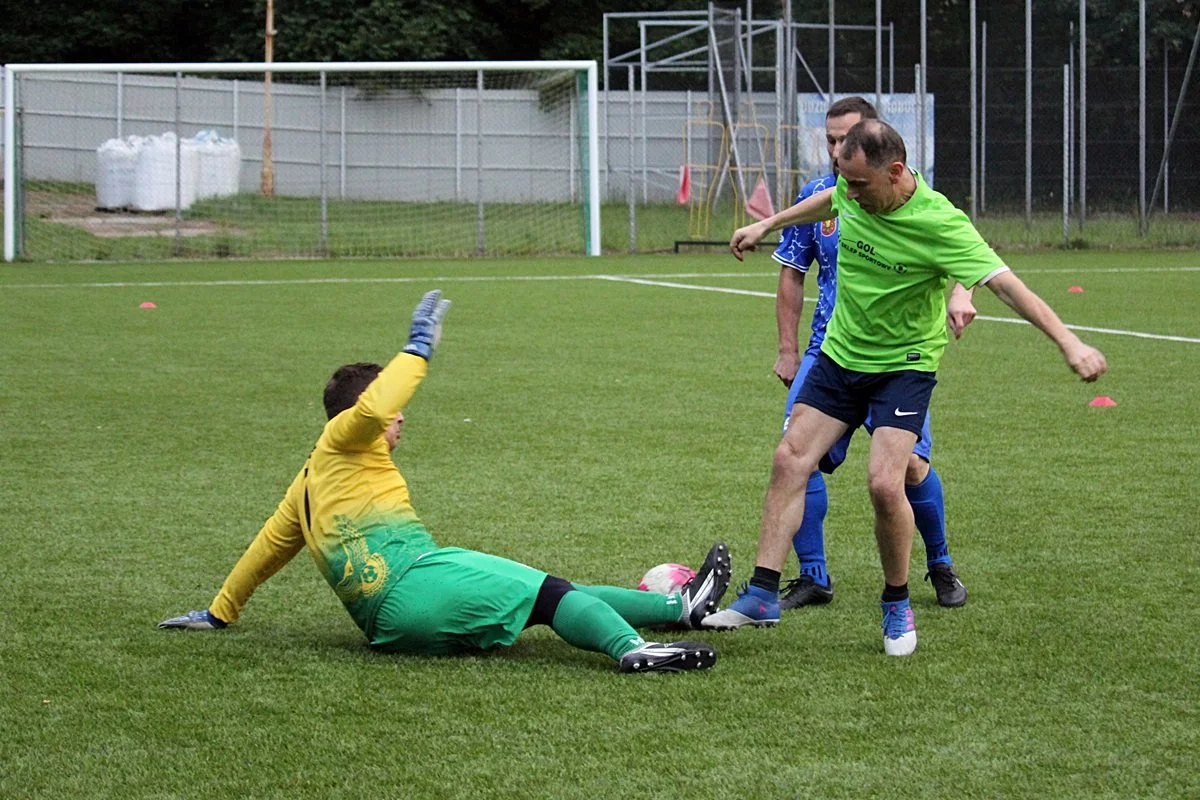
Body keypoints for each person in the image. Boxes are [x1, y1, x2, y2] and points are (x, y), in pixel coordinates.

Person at [160, 290, 731, 674]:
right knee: (551, 591)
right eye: (390, 409)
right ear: (357, 414)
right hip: (414, 582)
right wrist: (416, 350)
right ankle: (635, 649)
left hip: (387, 626)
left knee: (545, 598)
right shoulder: (344, 438)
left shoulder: (308, 483)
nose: (400, 415)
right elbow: (376, 406)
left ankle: (681, 606)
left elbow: (265, 549)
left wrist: (219, 612)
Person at [706, 120, 1107, 655]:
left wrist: (1069, 343)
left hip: (904, 365)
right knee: (789, 459)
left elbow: (1010, 287)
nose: (849, 195)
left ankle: (897, 603)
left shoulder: (941, 223)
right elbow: (829, 201)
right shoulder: (852, 192)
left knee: (883, 482)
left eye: (859, 184)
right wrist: (769, 225)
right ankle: (761, 595)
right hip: (841, 354)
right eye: (843, 181)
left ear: (895, 173)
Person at [769, 97, 973, 612]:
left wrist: (961, 292)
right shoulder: (823, 195)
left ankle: (939, 563)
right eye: (831, 140)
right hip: (830, 351)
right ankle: (813, 576)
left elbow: (960, 253)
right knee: (796, 456)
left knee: (904, 472)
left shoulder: (902, 192)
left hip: (895, 358)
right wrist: (788, 349)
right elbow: (793, 272)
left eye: (846, 139)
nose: (837, 150)